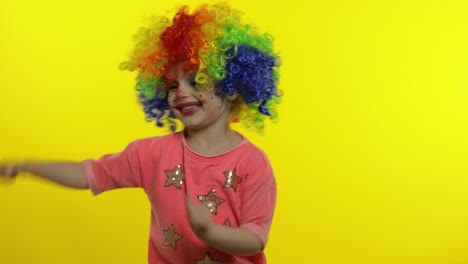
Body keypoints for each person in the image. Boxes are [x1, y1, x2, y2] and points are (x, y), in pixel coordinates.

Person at [0, 2, 281, 263]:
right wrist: (27, 166)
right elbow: (90, 174)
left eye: (196, 80)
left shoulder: (252, 163)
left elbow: (255, 239)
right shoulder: (152, 153)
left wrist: (208, 231)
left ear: (231, 88)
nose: (181, 92)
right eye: (172, 85)